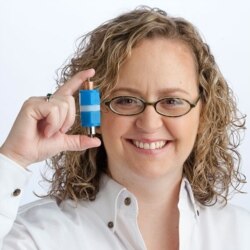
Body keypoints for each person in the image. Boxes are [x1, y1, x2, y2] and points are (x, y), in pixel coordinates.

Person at [0, 6, 249, 250]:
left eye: (173, 101)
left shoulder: (242, 234)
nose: (150, 123)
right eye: (126, 101)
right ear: (94, 113)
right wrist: (12, 158)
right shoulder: (34, 237)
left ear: (203, 114)